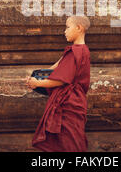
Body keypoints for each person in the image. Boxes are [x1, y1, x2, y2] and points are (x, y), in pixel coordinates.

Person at [26, 15, 91, 152]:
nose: (65, 31)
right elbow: (60, 64)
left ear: (79, 28)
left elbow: (61, 80)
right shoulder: (82, 50)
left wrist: (38, 83)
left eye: (68, 27)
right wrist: (41, 74)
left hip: (69, 103)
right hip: (76, 100)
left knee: (70, 142)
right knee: (71, 139)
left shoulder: (76, 52)